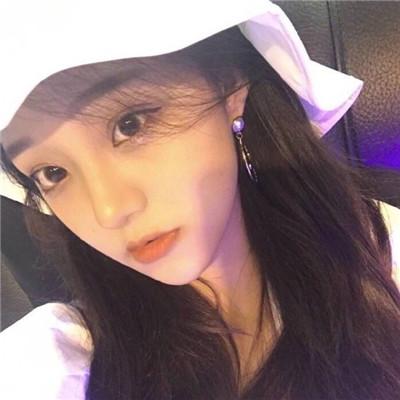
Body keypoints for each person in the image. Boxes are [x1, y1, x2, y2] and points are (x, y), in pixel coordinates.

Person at [0, 1, 399, 399]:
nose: (109, 210)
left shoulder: (381, 266)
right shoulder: (58, 365)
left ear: (228, 86)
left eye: (130, 124)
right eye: (52, 173)